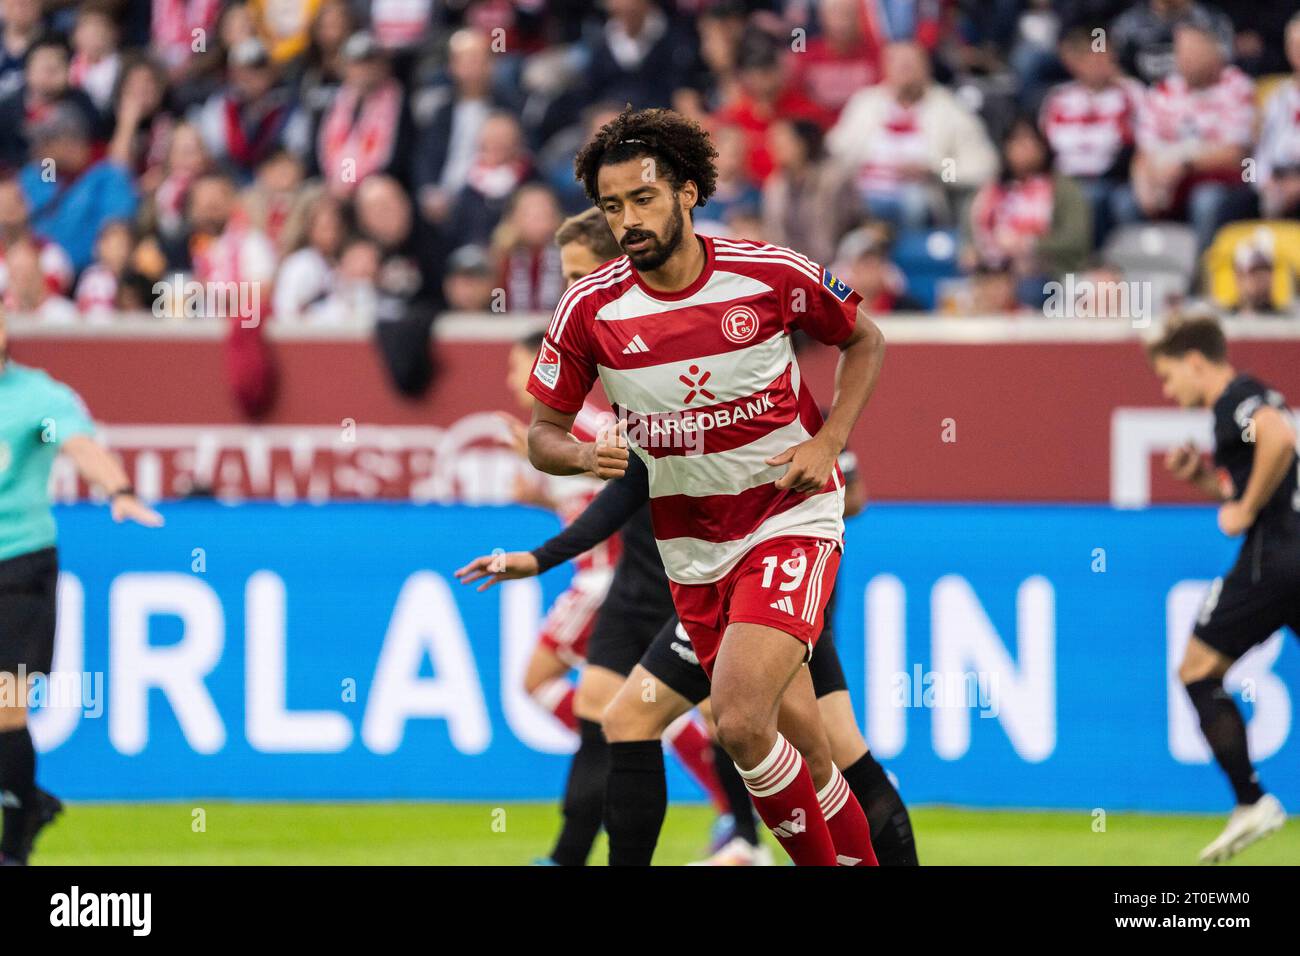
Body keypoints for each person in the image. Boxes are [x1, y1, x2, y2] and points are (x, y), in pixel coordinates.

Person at [524, 106, 886, 867]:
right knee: (794, 747)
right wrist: (583, 460)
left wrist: (830, 440)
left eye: (643, 198)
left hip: (790, 518)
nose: (628, 220)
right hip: (694, 552)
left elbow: (864, 336)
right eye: (612, 206)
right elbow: (542, 433)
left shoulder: (767, 272)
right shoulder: (589, 309)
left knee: (743, 718)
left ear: (688, 193)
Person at [0, 309, 163, 865]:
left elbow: (77, 444)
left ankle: (15, 842)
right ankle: (31, 803)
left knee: (6, 705)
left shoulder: (37, 399)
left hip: (20, 567)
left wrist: (117, 488)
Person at [1147, 314, 1297, 863]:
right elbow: (1257, 468)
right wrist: (1206, 484)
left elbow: (1278, 436)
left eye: (1168, 377)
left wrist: (1246, 508)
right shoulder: (1239, 407)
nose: (1169, 391)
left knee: (1196, 670)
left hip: (1277, 556)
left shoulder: (1237, 396)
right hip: (1291, 552)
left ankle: (1251, 800)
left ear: (1193, 361)